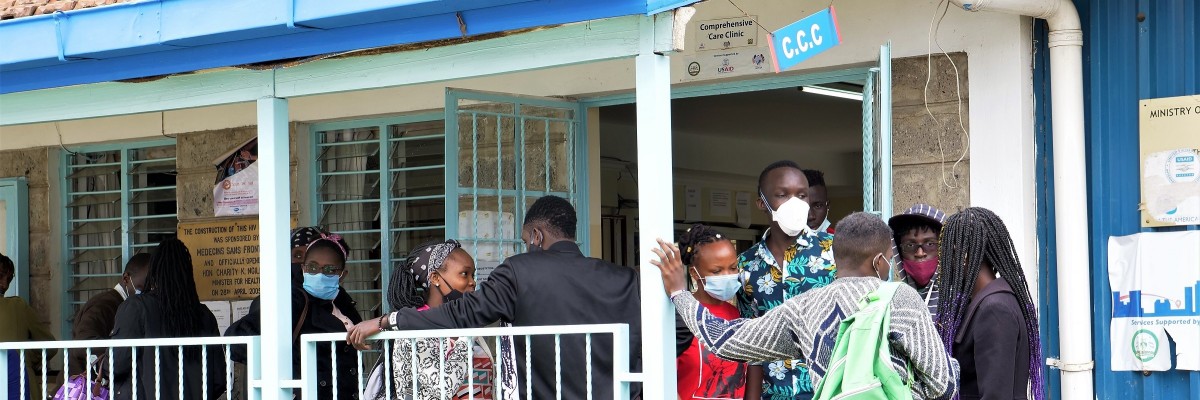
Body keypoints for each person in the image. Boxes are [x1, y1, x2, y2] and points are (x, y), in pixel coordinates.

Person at [348, 195, 642, 400]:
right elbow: (674, 336)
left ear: (536, 236)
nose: (528, 246)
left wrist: (388, 320)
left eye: (527, 240)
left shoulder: (520, 270)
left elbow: (462, 314)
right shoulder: (626, 279)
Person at [653, 212, 959, 399]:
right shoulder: (902, 299)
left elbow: (724, 339)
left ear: (836, 258)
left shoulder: (801, 309)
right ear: (880, 261)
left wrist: (680, 292)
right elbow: (943, 383)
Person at [737, 160, 835, 400]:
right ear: (762, 202)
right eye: (782, 194)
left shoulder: (834, 252)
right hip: (772, 393)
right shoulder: (745, 265)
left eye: (801, 196)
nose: (795, 203)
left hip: (828, 392)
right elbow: (751, 344)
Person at [226, 231, 362, 400]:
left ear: (342, 275)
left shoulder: (343, 304)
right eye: (312, 267)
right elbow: (237, 339)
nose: (319, 274)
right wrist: (285, 371)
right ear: (303, 268)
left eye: (329, 269)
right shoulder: (293, 300)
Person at [365, 239, 500, 400]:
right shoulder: (415, 329)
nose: (472, 282)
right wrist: (467, 332)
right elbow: (443, 387)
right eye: (465, 274)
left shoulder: (464, 326)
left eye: (473, 274)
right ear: (435, 277)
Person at [934, 207, 1045, 400]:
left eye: (945, 256)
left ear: (963, 257)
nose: (941, 266)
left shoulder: (995, 309)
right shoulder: (984, 303)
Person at [109, 239, 226, 400]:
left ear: (154, 272)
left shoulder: (137, 307)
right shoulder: (205, 315)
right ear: (188, 274)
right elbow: (219, 378)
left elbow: (116, 364)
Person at [673, 224, 747, 400]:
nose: (728, 275)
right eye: (717, 271)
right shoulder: (680, 316)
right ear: (694, 273)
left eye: (733, 267)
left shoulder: (737, 315)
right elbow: (663, 379)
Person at [67, 253, 151, 375]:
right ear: (126, 279)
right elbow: (83, 343)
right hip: (83, 389)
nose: (148, 293)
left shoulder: (122, 305)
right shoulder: (103, 306)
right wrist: (121, 354)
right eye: (144, 287)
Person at [1, 253, 56, 400]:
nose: (5, 284)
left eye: (9, 278)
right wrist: (23, 356)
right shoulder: (17, 306)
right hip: (19, 385)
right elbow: (50, 346)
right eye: (1, 276)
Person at [888, 204, 948, 315]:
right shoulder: (892, 304)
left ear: (944, 247)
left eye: (930, 244)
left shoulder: (959, 301)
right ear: (899, 252)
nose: (920, 253)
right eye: (910, 245)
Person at [802, 169, 834, 234]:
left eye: (817, 206)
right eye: (802, 207)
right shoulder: (780, 243)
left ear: (827, 206)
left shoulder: (841, 242)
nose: (810, 216)